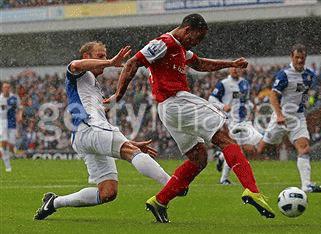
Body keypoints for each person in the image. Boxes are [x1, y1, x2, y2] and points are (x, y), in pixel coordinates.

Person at [105, 14, 275, 222]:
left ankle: (160, 201)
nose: (197, 42)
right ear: (187, 30)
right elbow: (132, 63)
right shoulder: (164, 43)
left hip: (168, 110)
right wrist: (117, 96)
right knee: (224, 136)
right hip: (177, 101)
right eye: (197, 37)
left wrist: (230, 63)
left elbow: (201, 64)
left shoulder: (179, 48)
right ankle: (252, 190)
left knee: (198, 158)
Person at [34, 41, 172, 220]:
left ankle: (54, 203)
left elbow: (100, 111)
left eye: (105, 56)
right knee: (132, 153)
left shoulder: (93, 86)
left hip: (84, 136)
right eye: (100, 56)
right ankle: (173, 185)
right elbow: (74, 65)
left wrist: (128, 143)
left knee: (107, 192)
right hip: (90, 128)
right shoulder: (79, 73)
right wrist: (111, 62)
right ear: (86, 57)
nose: (105, 60)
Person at [257, 43, 321, 193]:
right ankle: (230, 161)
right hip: (281, 117)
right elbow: (273, 95)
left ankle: (306, 185)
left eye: (302, 57)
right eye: (297, 57)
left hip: (298, 117)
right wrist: (279, 115)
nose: (300, 60)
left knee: (304, 147)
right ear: (291, 57)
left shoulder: (309, 75)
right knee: (260, 149)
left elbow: (304, 93)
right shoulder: (284, 74)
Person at [209, 67, 262, 185]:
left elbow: (246, 100)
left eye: (238, 69)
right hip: (230, 120)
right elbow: (211, 99)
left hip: (244, 121)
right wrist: (223, 106)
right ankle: (224, 179)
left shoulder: (245, 83)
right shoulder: (224, 84)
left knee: (239, 148)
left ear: (241, 70)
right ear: (229, 70)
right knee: (236, 149)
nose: (235, 70)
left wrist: (252, 105)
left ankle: (222, 156)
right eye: (233, 68)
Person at [0, 82, 23, 172]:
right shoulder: (0, 98)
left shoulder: (14, 97)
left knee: (11, 144)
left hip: (12, 122)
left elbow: (20, 108)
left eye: (8, 87)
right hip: (2, 122)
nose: (6, 89)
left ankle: (11, 153)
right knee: (4, 142)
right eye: (5, 87)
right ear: (2, 89)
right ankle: (7, 166)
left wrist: (20, 116)